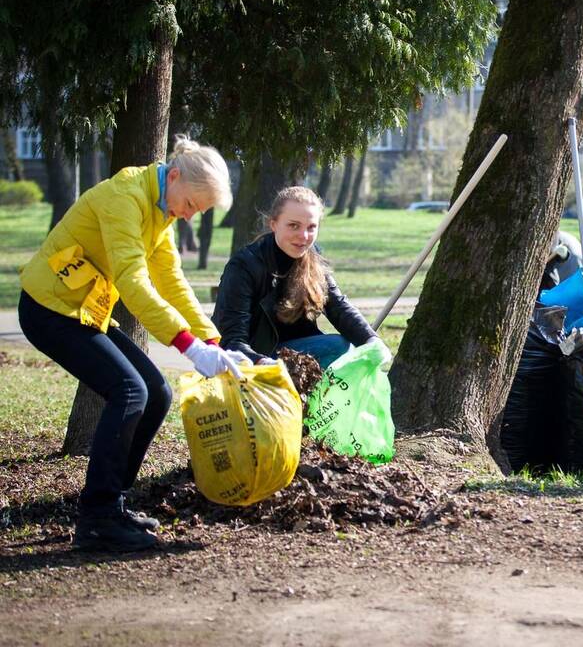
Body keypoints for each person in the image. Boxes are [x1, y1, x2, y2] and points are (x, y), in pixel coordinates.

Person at [18, 135, 242, 551]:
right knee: (129, 390)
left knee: (156, 393)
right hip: (48, 309)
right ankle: (97, 519)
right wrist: (188, 347)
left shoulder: (161, 208)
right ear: (174, 176)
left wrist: (212, 339)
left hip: (83, 310)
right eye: (192, 205)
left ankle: (112, 505)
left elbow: (171, 282)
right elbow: (134, 283)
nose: (190, 216)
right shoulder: (126, 197)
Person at [212, 186, 384, 370]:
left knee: (347, 348)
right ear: (273, 224)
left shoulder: (313, 257)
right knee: (337, 347)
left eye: (311, 227)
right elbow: (232, 340)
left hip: (293, 354)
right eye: (293, 225)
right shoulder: (245, 265)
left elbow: (338, 307)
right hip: (250, 360)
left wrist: (371, 340)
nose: (303, 236)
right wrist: (261, 362)